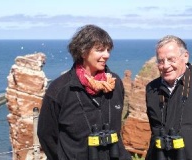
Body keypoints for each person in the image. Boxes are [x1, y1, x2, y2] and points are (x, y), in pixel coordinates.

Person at [37, 24, 132, 160]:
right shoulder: (60, 89)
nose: (106, 55)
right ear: (82, 52)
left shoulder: (115, 82)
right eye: (100, 50)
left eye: (108, 50)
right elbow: (46, 134)